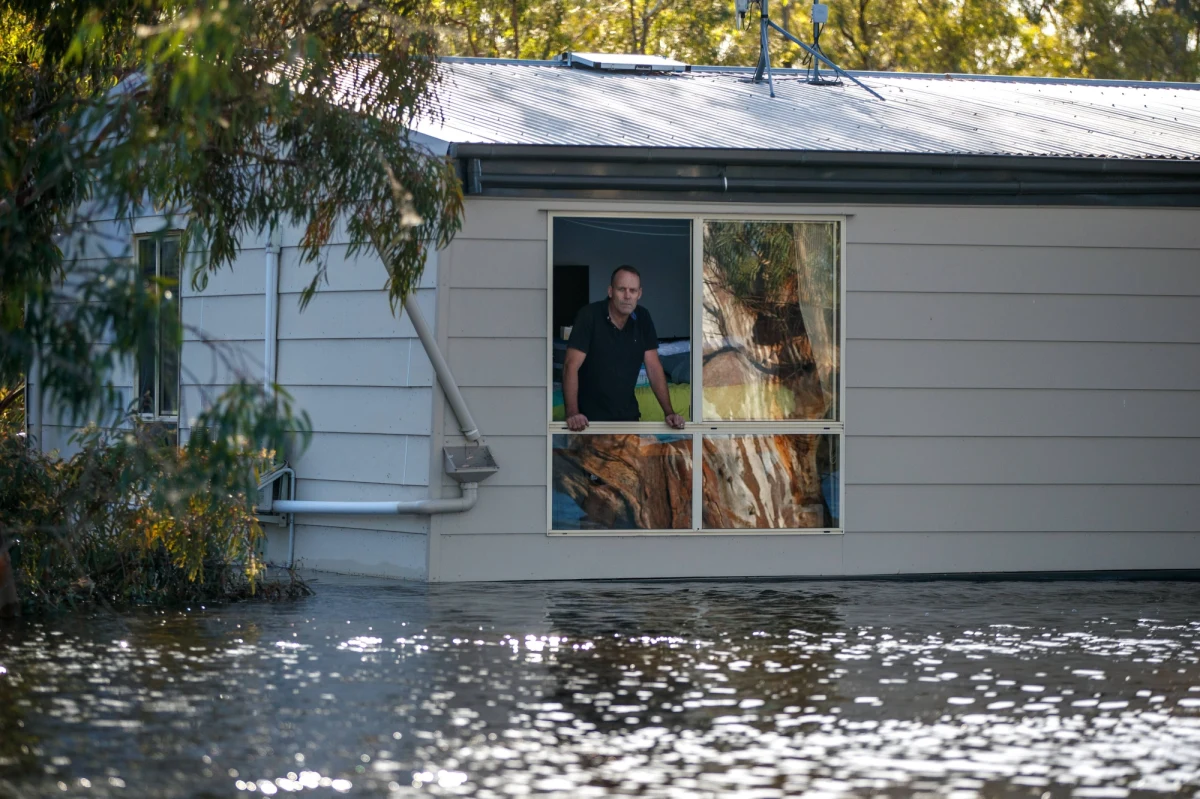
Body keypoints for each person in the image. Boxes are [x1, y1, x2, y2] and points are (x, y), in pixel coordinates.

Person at [562, 265, 685, 431]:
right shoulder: (589, 315)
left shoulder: (643, 318)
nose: (627, 296)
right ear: (610, 291)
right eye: (622, 289)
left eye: (633, 291)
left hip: (628, 420)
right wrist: (573, 413)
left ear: (639, 294)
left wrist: (669, 412)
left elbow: (654, 367)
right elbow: (570, 365)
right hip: (587, 423)